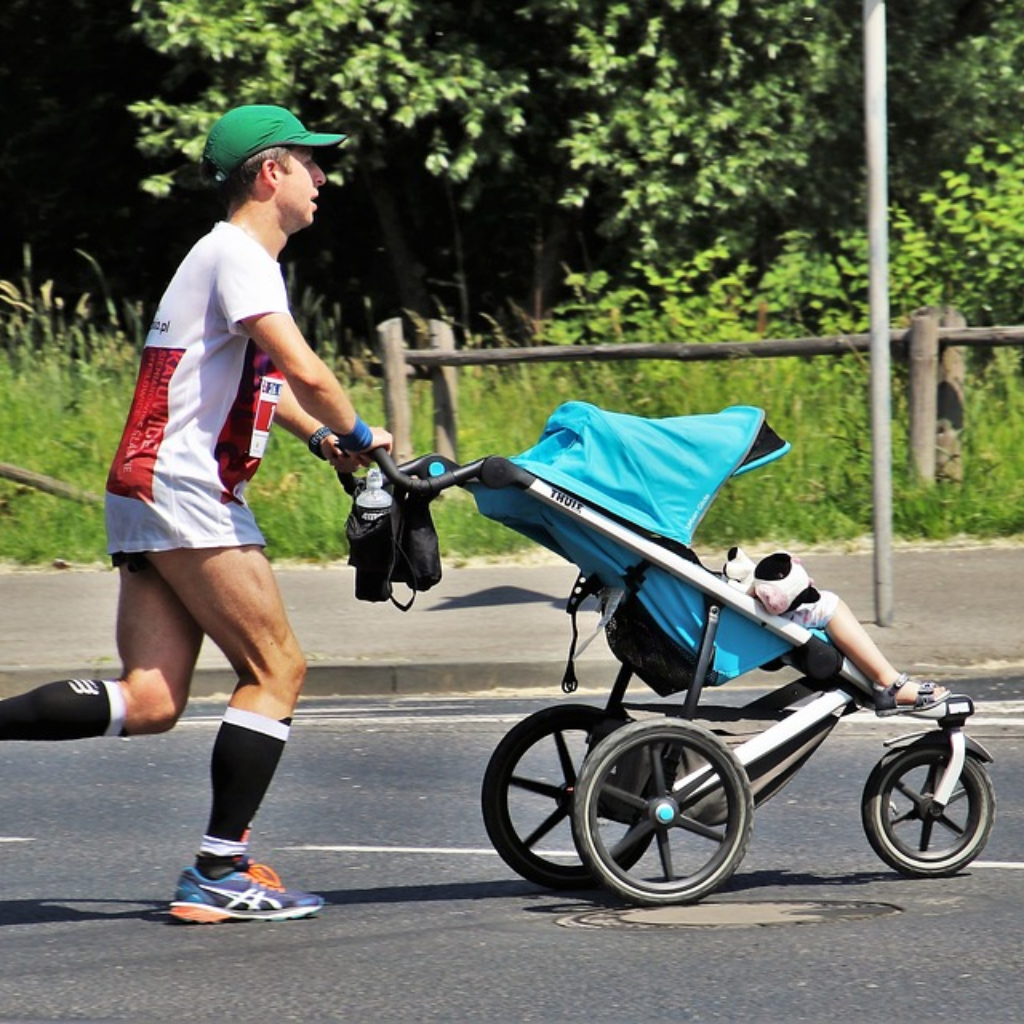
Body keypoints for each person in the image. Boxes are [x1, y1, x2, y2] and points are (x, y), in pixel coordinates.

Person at [0, 104, 392, 923]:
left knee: (149, 700)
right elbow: (305, 367)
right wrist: (362, 435)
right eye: (309, 163)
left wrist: (324, 444)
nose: (323, 179)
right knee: (277, 668)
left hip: (145, 485)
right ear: (268, 173)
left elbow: (256, 384)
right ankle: (220, 869)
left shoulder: (215, 260)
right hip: (187, 492)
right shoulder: (241, 255)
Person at [726, 548, 950, 715]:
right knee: (829, 605)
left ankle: (882, 681)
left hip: (730, 616)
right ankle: (888, 684)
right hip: (740, 624)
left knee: (823, 605)